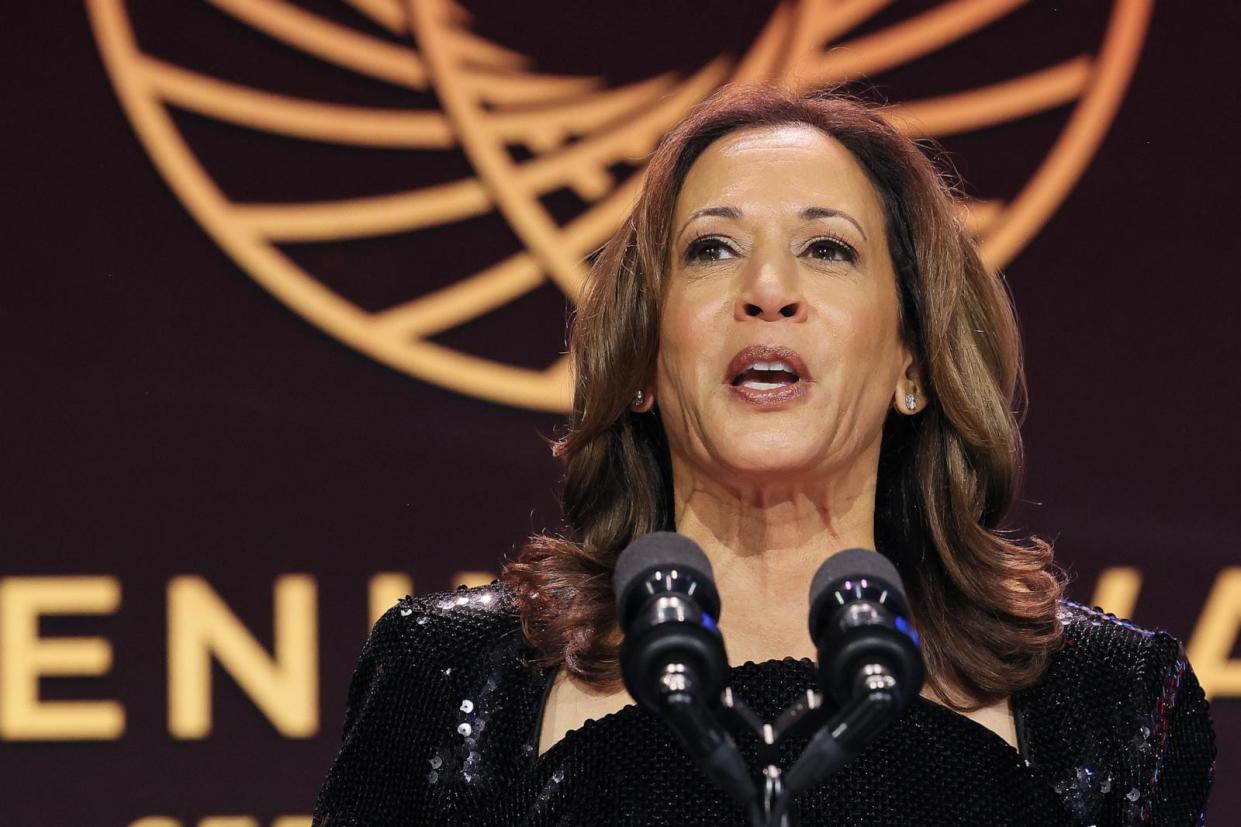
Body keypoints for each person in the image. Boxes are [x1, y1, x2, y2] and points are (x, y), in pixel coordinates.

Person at [311, 85, 1215, 825]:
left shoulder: (1107, 699)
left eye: (826, 249)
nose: (768, 291)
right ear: (642, 365)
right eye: (711, 249)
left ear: (911, 361)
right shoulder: (452, 673)